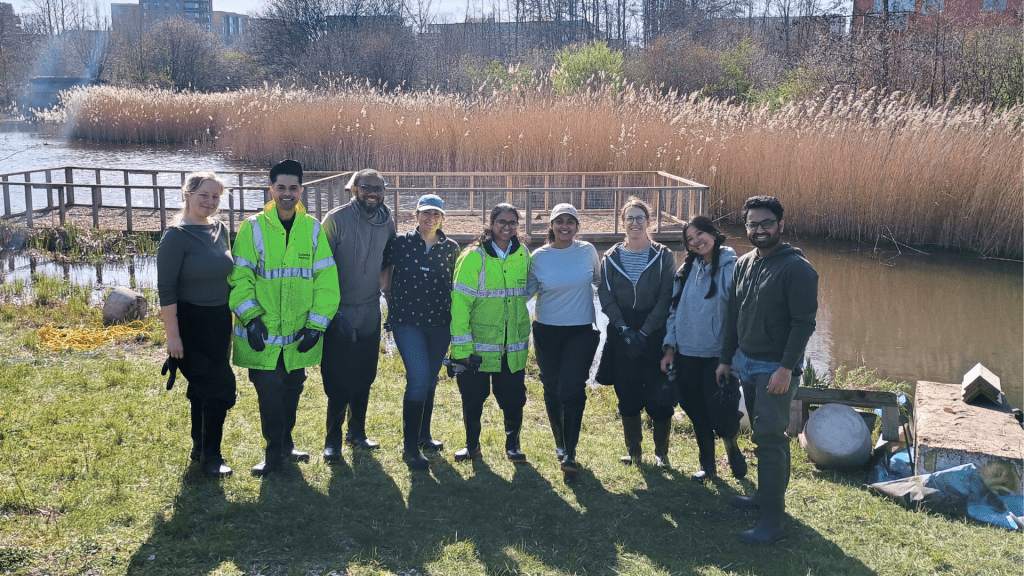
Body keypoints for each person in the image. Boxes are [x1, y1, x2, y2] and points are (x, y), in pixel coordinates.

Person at [715, 195, 818, 545]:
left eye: (766, 223)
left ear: (780, 225)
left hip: (776, 367)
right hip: (747, 362)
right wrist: (726, 358)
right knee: (765, 437)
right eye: (753, 224)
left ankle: (772, 523)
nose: (759, 230)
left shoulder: (798, 269)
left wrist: (786, 368)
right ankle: (764, 496)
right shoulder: (744, 263)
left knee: (770, 439)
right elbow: (734, 314)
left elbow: (803, 324)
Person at [229, 160, 340, 477]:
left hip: (297, 334)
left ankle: (286, 444)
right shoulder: (253, 228)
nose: (287, 193)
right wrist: (251, 318)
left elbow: (326, 281)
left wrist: (317, 325)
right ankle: (272, 453)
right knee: (269, 392)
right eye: (281, 187)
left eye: (293, 188)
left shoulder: (312, 229)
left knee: (292, 389)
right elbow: (240, 278)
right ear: (271, 190)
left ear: (301, 191)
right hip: (261, 334)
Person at [157, 172, 236, 478]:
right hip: (191, 323)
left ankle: (199, 447)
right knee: (220, 388)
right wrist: (173, 338)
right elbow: (166, 291)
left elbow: (228, 275)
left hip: (220, 321)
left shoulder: (220, 229)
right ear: (187, 195)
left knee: (202, 387)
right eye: (204, 195)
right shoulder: (176, 236)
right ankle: (213, 456)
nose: (210, 201)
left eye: (216, 196)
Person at [660, 215, 746, 482]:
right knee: (695, 409)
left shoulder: (733, 267)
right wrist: (670, 348)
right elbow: (673, 310)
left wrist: (730, 357)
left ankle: (732, 448)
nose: (696, 241)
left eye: (700, 234)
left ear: (713, 233)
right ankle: (708, 466)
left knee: (722, 413)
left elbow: (740, 315)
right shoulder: (686, 270)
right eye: (690, 239)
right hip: (686, 354)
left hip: (719, 357)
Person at [319, 169, 397, 462]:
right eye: (367, 187)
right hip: (339, 311)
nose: (373, 193)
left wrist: (388, 298)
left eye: (379, 188)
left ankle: (357, 433)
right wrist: (330, 312)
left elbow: (388, 263)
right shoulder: (335, 220)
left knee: (365, 375)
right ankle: (332, 441)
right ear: (354, 189)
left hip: (369, 311)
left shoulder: (387, 221)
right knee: (338, 380)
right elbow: (319, 266)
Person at [450, 203, 532, 463]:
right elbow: (460, 304)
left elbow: (527, 291)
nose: (507, 227)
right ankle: (471, 445)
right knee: (472, 397)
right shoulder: (474, 256)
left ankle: (513, 446)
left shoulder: (523, 254)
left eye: (512, 222)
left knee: (514, 398)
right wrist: (462, 348)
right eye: (501, 222)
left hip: (512, 345)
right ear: (491, 223)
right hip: (477, 345)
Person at [383, 194, 461, 470]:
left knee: (429, 380)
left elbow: (456, 285)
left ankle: (424, 436)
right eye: (426, 213)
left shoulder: (451, 248)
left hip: (440, 324)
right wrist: (389, 300)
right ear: (415, 215)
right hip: (407, 322)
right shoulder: (400, 243)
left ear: (442, 218)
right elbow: (385, 276)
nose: (431, 218)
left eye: (436, 214)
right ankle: (410, 448)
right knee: (417, 378)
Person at [597, 197, 675, 466]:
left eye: (640, 218)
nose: (635, 223)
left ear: (648, 222)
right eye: (629, 218)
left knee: (659, 394)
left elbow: (666, 298)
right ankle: (634, 452)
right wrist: (622, 327)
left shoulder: (663, 255)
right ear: (622, 222)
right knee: (627, 392)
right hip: (622, 332)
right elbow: (605, 295)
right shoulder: (610, 257)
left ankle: (661, 453)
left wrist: (644, 331)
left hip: (654, 332)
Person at [527, 203, 601, 474]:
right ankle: (560, 444)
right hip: (547, 330)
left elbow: (600, 282)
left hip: (580, 330)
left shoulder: (588, 251)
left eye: (570, 221)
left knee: (573, 387)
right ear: (551, 225)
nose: (565, 226)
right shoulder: (539, 257)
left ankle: (570, 452)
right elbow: (525, 291)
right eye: (560, 221)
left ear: (577, 226)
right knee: (551, 388)